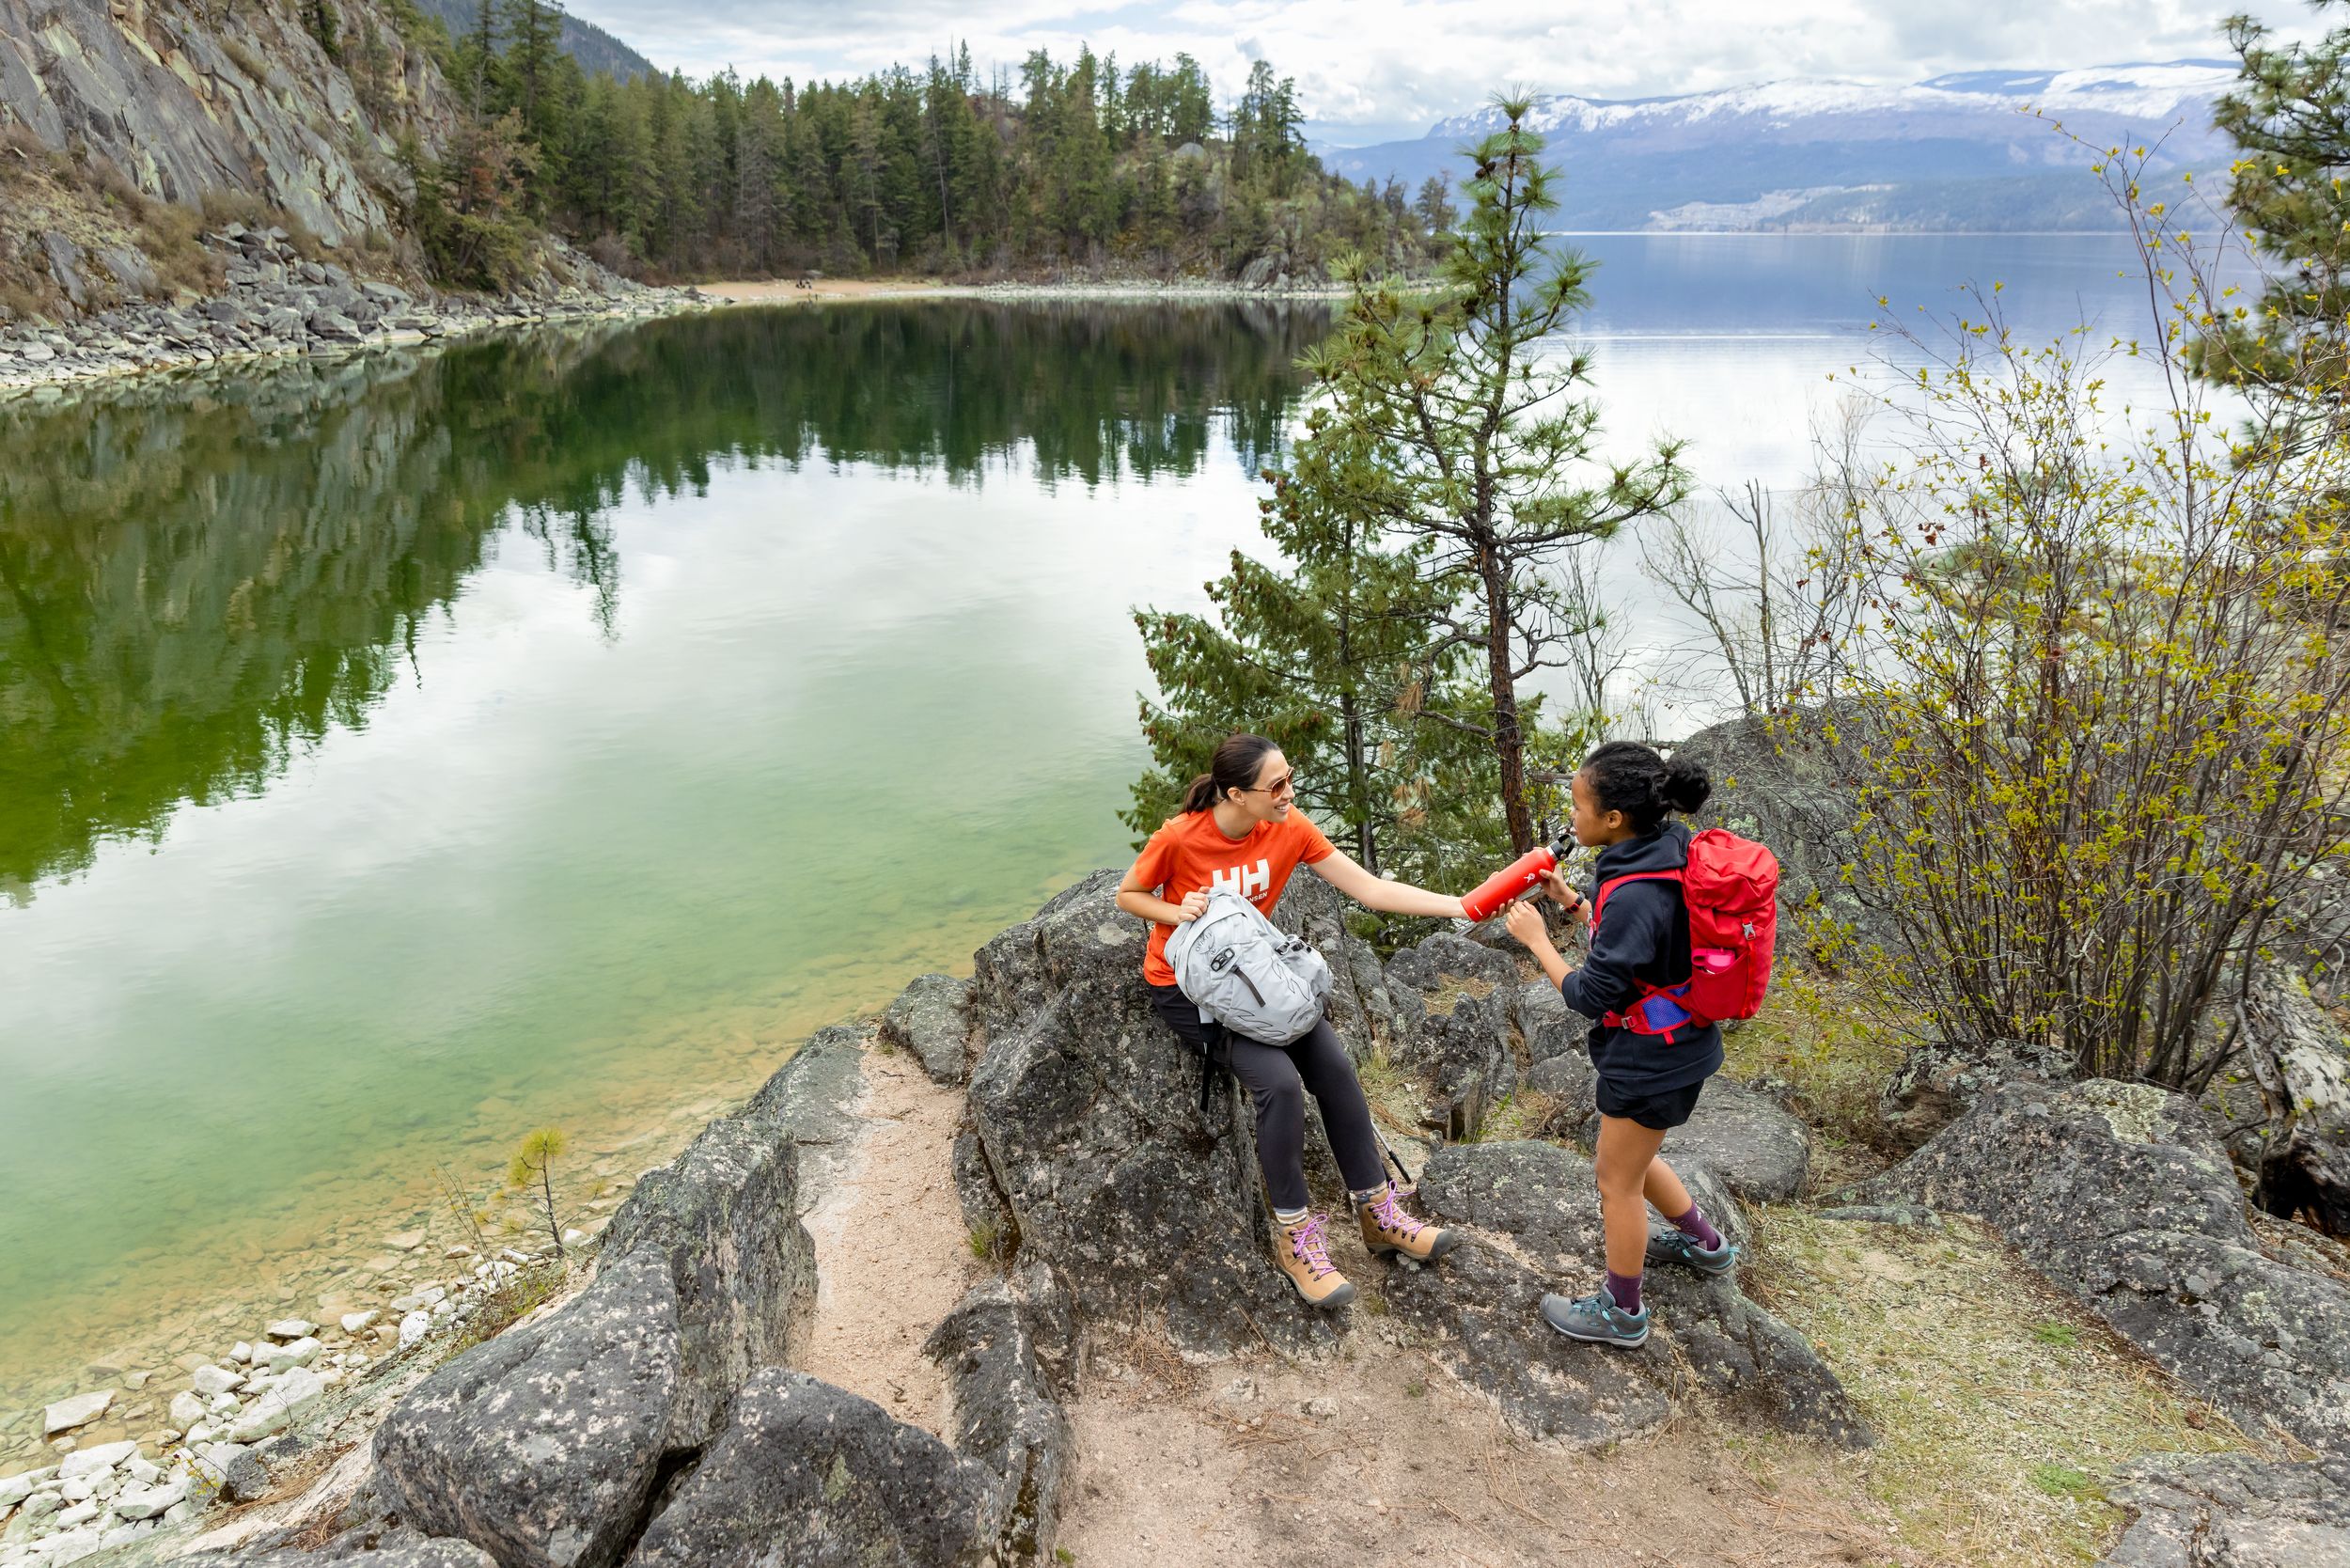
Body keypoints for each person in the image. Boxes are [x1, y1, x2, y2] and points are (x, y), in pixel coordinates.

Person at [1118, 733, 1465, 1309]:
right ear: (1236, 794)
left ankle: (1378, 1213)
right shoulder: (1179, 837)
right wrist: (1174, 910)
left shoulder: (1289, 826)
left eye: (1290, 778)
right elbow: (1128, 894)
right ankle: (1295, 1236)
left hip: (1262, 982)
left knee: (1333, 1067)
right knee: (1278, 1084)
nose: (1289, 793)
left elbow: (1371, 889)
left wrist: (1463, 904)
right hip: (1189, 990)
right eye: (1276, 785)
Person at [1503, 741, 1737, 1348]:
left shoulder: (1635, 890)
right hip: (1681, 1043)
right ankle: (1705, 1246)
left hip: (1651, 1057)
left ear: (1613, 820)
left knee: (1616, 1182)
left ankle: (1622, 1312)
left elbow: (1591, 993)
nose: (1570, 818)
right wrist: (1576, 905)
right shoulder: (1665, 852)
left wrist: (1538, 942)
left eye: (1578, 807)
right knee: (1634, 1159)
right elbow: (1649, 947)